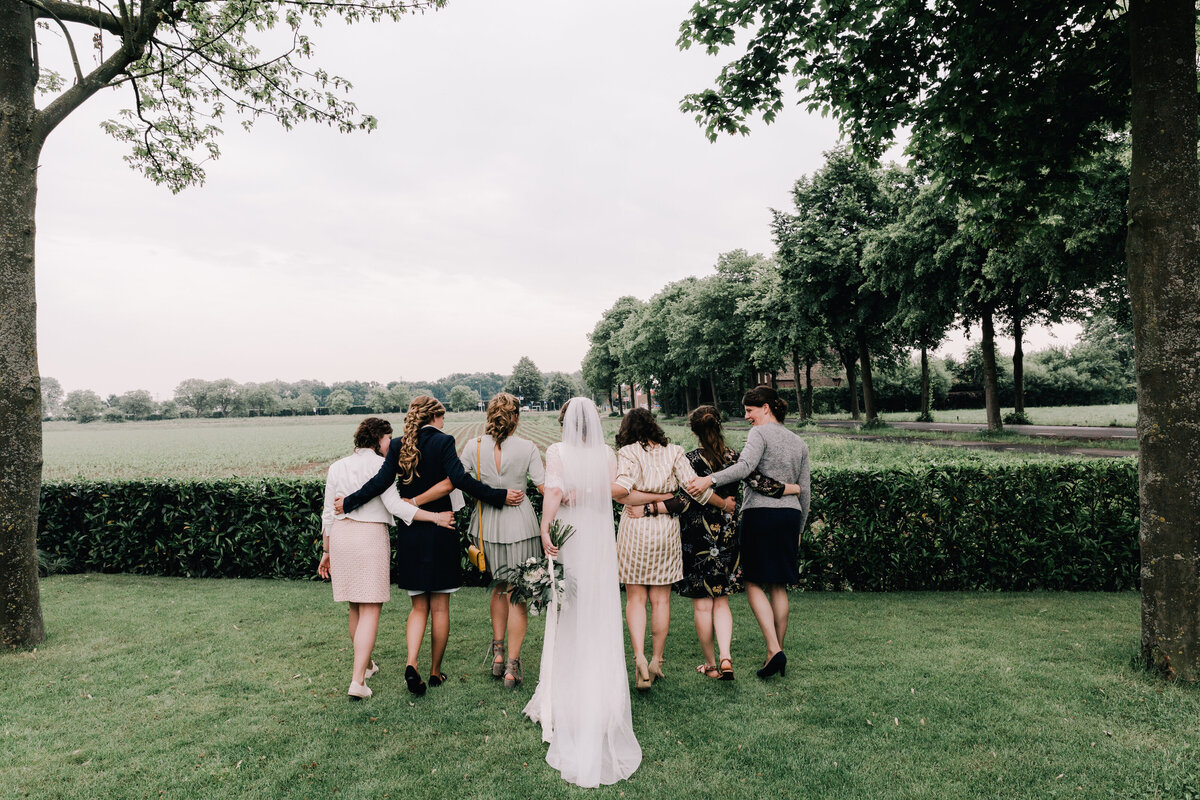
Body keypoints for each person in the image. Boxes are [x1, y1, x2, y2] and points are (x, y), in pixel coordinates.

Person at [334, 396, 523, 696]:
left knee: (418, 607)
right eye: (443, 415)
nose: (445, 421)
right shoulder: (444, 442)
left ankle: (412, 663)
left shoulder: (397, 445)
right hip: (441, 527)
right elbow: (460, 479)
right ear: (433, 416)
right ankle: (435, 671)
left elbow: (380, 484)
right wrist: (498, 496)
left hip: (412, 532)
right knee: (440, 606)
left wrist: (348, 502)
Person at [628, 405, 802, 681]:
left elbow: (684, 500)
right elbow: (759, 482)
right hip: (727, 535)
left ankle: (710, 665)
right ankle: (726, 658)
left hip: (697, 537)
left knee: (702, 604)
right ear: (719, 426)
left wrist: (651, 509)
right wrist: (792, 488)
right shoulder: (735, 457)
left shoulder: (690, 460)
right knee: (721, 601)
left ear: (694, 431)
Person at [524, 398, 642, 788]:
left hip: (571, 536)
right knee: (599, 611)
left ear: (566, 424)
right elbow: (611, 492)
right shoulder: (606, 454)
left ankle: (565, 699)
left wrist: (546, 529)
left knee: (570, 610)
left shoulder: (557, 451)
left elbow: (554, 493)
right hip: (598, 538)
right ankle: (604, 697)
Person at [318, 416, 456, 700]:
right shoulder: (383, 466)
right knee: (370, 609)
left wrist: (326, 550)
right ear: (379, 439)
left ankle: (366, 664)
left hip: (341, 537)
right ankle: (357, 681)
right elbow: (395, 506)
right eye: (388, 439)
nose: (391, 445)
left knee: (355, 606)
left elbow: (328, 514)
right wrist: (436, 517)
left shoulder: (336, 467)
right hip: (369, 537)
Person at [687, 386, 811, 680]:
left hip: (760, 514)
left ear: (766, 408)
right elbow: (805, 491)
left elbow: (744, 468)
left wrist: (710, 480)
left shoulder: (760, 434)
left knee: (753, 582)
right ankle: (776, 651)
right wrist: (800, 528)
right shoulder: (799, 443)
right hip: (790, 516)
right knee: (779, 586)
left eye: (750, 410)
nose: (746, 417)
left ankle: (773, 648)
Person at [611, 407, 726, 690]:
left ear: (627, 430)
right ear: (653, 427)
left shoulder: (627, 452)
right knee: (661, 600)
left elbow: (621, 491)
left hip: (634, 529)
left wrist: (624, 495)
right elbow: (692, 489)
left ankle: (639, 657)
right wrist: (721, 503)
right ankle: (656, 661)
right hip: (665, 529)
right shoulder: (674, 451)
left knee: (635, 599)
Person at [460, 393, 545, 689]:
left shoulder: (474, 446)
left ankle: (498, 654)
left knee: (498, 588)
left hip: (487, 525)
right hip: (520, 524)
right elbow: (545, 487)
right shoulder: (528, 447)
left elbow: (459, 480)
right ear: (516, 417)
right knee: (516, 593)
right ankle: (512, 666)